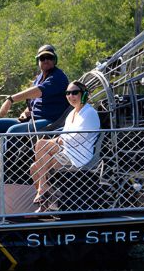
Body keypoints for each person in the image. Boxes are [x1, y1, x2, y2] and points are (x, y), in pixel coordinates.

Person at [29, 80, 100, 212]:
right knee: (34, 167)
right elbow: (64, 135)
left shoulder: (89, 112)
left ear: (84, 94)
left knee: (41, 144)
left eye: (74, 93)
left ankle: (42, 188)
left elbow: (76, 138)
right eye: (68, 93)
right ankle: (44, 206)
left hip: (79, 155)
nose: (70, 96)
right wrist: (56, 141)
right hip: (67, 151)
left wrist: (55, 142)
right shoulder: (72, 113)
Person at [0, 44, 69, 135]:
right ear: (38, 61)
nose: (46, 60)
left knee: (13, 131)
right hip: (32, 119)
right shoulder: (39, 78)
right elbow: (33, 101)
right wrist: (25, 113)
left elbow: (38, 91)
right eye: (43, 58)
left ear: (55, 60)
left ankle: (7, 149)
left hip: (50, 122)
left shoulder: (58, 77)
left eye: (50, 57)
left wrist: (10, 100)